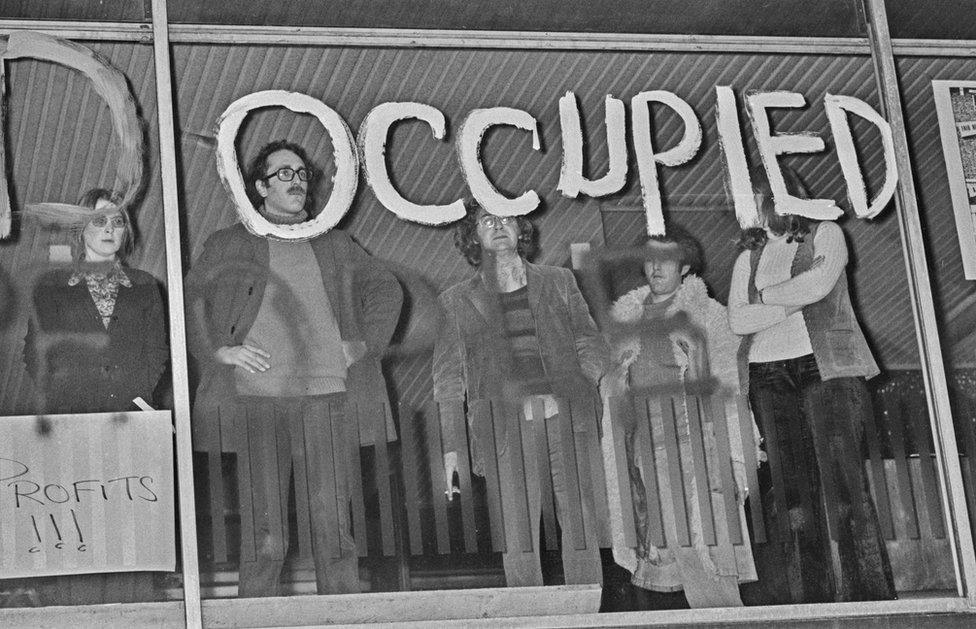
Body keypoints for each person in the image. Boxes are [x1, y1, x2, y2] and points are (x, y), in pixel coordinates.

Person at [185, 139, 402, 597]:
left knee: (333, 524)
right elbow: (190, 303)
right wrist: (219, 350)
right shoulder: (229, 243)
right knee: (266, 533)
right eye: (285, 173)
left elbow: (388, 290)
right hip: (257, 400)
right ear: (259, 187)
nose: (298, 181)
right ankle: (255, 618)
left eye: (303, 174)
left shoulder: (336, 243)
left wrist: (364, 345)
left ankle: (340, 617)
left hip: (327, 397)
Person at [727, 167, 895, 603]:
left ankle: (870, 602)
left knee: (845, 487)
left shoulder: (827, 232)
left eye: (749, 197)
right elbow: (736, 320)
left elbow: (821, 286)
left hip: (827, 369)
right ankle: (809, 603)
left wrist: (763, 298)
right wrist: (790, 299)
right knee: (793, 497)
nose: (741, 207)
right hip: (767, 373)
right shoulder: (748, 256)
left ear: (773, 195)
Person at [432, 202, 608, 586]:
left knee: (581, 528)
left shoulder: (560, 281)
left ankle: (586, 617)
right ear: (472, 237)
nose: (499, 226)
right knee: (517, 535)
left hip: (566, 418)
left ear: (521, 229)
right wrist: (452, 448)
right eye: (486, 221)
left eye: (507, 218)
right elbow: (447, 379)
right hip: (503, 428)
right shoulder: (455, 300)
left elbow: (591, 344)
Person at [22, 188, 168, 604]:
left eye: (117, 221)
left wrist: (132, 396)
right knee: (76, 524)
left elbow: (156, 352)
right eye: (99, 221)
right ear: (80, 229)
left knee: (128, 526)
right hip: (72, 418)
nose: (109, 230)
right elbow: (35, 354)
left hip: (130, 417)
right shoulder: (51, 287)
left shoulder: (145, 285)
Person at [602, 225, 757, 608]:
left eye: (667, 259)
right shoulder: (624, 320)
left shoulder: (709, 315)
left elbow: (730, 382)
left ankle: (728, 618)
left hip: (698, 439)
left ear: (685, 266)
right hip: (649, 448)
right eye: (650, 258)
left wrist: (736, 454)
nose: (656, 267)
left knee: (712, 545)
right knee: (678, 543)